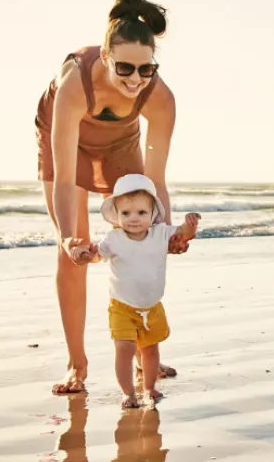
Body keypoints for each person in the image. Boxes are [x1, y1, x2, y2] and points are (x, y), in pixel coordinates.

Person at [35, 0, 189, 395]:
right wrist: (68, 238)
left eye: (146, 69)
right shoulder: (75, 84)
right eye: (125, 67)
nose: (136, 79)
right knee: (76, 250)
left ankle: (144, 352)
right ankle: (76, 364)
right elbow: (66, 180)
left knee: (140, 235)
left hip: (119, 141)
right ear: (105, 57)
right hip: (63, 138)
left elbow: (154, 183)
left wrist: (168, 233)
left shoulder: (160, 98)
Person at [72, 174, 199, 407]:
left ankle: (149, 388)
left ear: (152, 214)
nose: (133, 219)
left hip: (152, 307)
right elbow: (96, 255)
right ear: (117, 215)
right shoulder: (114, 238)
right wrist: (83, 255)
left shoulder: (160, 234)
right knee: (125, 348)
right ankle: (128, 393)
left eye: (141, 213)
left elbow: (183, 234)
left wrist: (190, 225)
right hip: (122, 306)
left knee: (150, 351)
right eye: (126, 213)